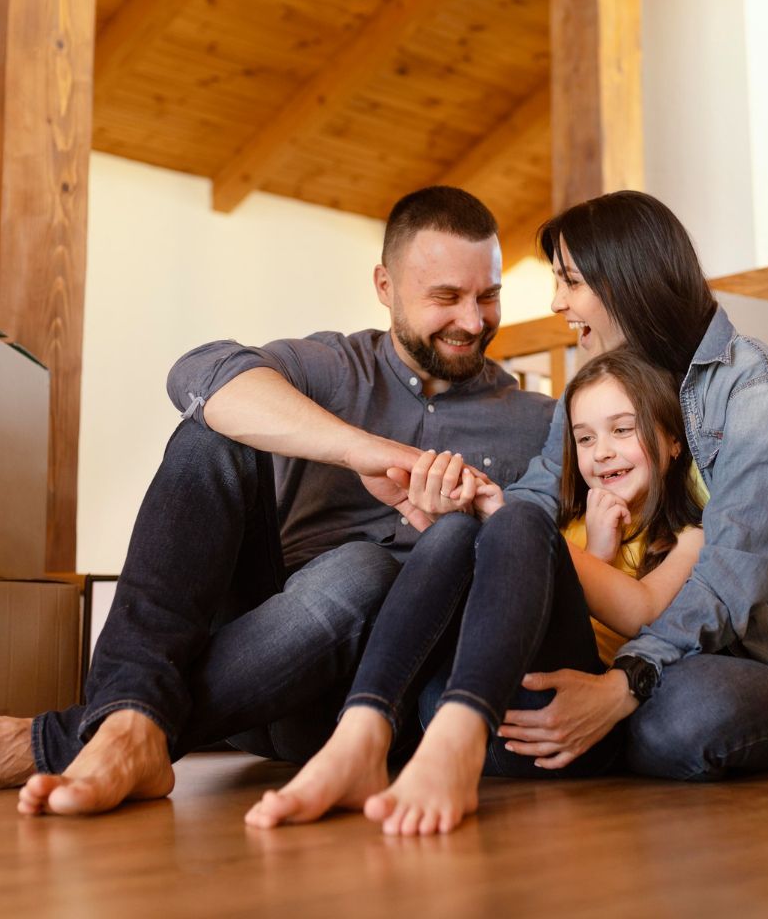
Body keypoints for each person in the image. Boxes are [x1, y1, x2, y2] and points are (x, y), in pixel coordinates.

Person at [0, 186, 555, 815]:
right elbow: (196, 375)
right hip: (259, 642)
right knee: (212, 432)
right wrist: (366, 452)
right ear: (385, 287)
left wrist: (474, 521)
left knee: (367, 570)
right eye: (446, 297)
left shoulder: (538, 422)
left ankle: (83, 737)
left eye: (489, 297)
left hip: (365, 698)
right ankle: (128, 717)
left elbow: (542, 568)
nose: (473, 322)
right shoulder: (333, 366)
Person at [487, 190, 768, 782]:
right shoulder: (598, 386)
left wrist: (627, 679)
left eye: (570, 281)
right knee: (482, 710)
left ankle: (607, 726)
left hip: (747, 659)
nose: (557, 303)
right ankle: (594, 729)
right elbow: (534, 496)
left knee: (684, 718)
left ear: (626, 281)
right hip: (623, 646)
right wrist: (481, 508)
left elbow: (730, 579)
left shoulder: (753, 394)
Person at [244, 350, 707, 834]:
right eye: (585, 438)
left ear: (674, 441)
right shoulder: (565, 523)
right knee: (452, 533)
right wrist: (484, 520)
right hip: (447, 709)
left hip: (558, 731)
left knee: (518, 520)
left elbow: (643, 611)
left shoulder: (687, 538)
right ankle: (362, 732)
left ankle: (446, 736)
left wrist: (593, 548)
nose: (602, 451)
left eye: (622, 429)